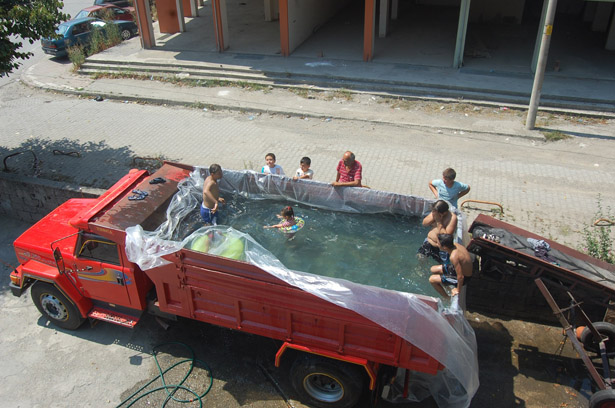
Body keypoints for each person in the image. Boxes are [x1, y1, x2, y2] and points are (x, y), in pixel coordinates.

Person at [429, 233, 473, 299]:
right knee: (433, 269)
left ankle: (447, 298)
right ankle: (446, 283)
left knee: (432, 279)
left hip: (465, 278)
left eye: (438, 243)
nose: (437, 244)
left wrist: (458, 290)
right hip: (461, 270)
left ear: (444, 247)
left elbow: (461, 277)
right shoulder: (455, 245)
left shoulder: (453, 257)